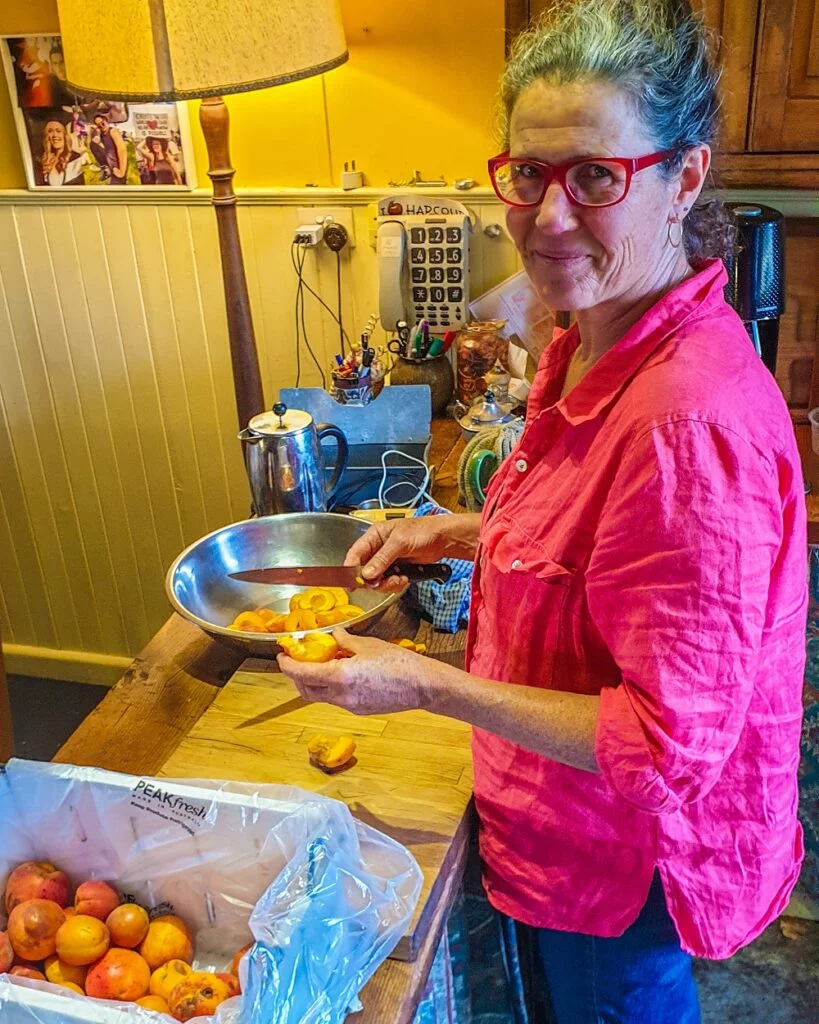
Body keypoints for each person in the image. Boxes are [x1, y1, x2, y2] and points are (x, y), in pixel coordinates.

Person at [277, 2, 807, 1021]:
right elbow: (612, 543)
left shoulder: (684, 421)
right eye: (527, 173)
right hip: (567, 833)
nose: (547, 215)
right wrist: (467, 530)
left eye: (596, 178)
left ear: (682, 178)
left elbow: (664, 744)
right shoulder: (600, 330)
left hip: (616, 870)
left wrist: (426, 683)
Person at [37, 118, 88, 186]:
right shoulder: (42, 162)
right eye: (50, 131)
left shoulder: (76, 158)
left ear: (65, 135)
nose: (54, 135)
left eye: (58, 131)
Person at [93, 113, 127, 185]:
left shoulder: (113, 131)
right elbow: (93, 144)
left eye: (102, 123)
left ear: (106, 121)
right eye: (99, 126)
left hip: (117, 166)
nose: (101, 126)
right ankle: (105, 169)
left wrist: (122, 171)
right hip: (110, 164)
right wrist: (92, 131)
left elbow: (122, 149)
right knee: (93, 145)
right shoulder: (102, 135)